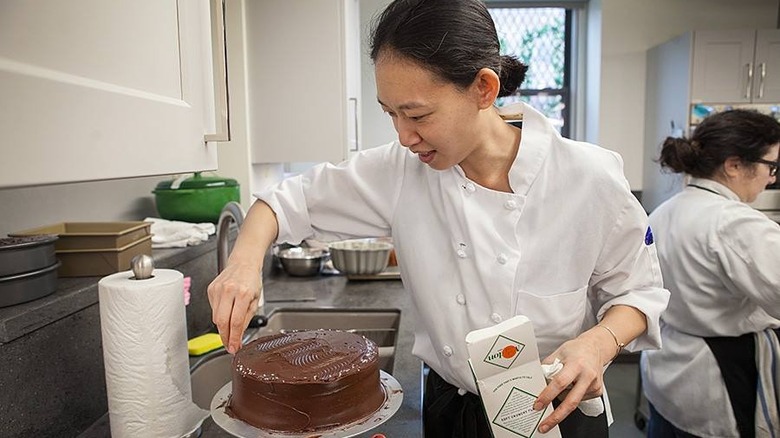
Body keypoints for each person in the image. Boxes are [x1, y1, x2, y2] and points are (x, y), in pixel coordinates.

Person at [208, 0, 669, 436]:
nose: (405, 136)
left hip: (557, 410)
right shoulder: (398, 171)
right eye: (390, 114)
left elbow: (639, 293)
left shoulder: (587, 177)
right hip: (451, 410)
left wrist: (600, 342)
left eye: (417, 114)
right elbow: (284, 203)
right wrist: (244, 263)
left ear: (484, 89)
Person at [640, 109, 780, 437]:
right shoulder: (737, 224)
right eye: (770, 166)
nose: (772, 178)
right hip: (718, 375)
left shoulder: (665, 211)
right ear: (733, 165)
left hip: (668, 367)